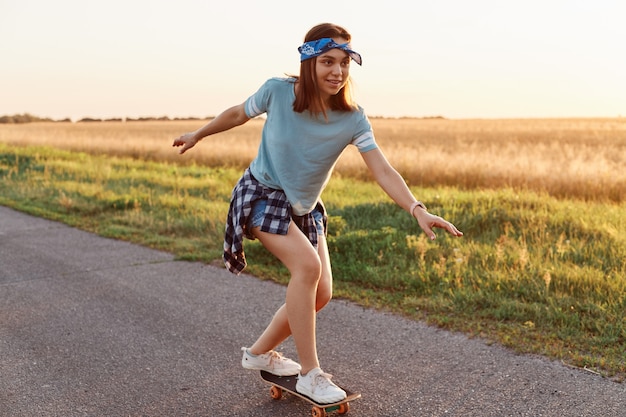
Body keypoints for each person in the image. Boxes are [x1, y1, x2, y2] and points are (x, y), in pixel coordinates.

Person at [173, 22, 463, 404]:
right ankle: (311, 373)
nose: (338, 72)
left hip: (303, 208)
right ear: (308, 61)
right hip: (262, 195)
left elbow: (381, 168)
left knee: (321, 293)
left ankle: (259, 353)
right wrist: (199, 134)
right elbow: (237, 114)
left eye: (345, 63)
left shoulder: (352, 118)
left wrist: (417, 209)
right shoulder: (277, 92)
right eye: (328, 61)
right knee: (307, 269)